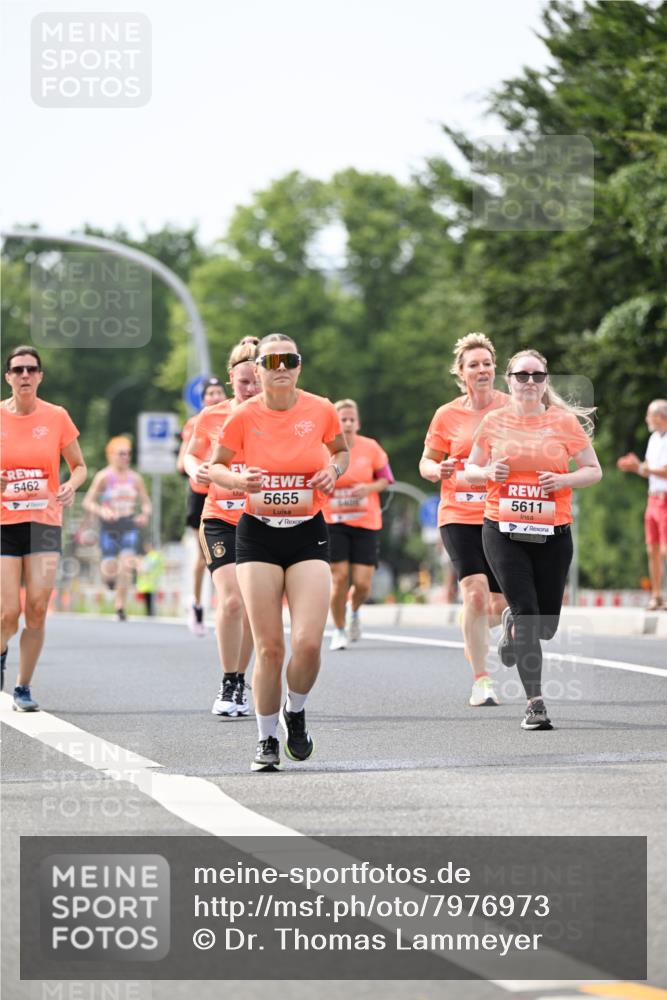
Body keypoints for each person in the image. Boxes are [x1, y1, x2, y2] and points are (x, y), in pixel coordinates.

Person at [209, 333, 348, 772]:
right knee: (270, 648)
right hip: (257, 535)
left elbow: (341, 453)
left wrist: (331, 470)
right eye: (272, 360)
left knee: (307, 643)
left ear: (299, 365)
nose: (281, 366)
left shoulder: (321, 409)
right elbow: (214, 465)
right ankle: (266, 739)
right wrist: (236, 481)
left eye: (289, 359)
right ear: (261, 368)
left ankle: (296, 710)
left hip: (308, 532)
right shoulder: (243, 415)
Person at [466, 349, 602, 731]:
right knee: (528, 616)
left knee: (545, 626)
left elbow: (594, 470)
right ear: (507, 380)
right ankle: (535, 703)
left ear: (545, 383)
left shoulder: (564, 423)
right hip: (503, 530)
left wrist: (564, 480)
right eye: (521, 376)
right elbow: (470, 470)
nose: (529, 382)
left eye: (537, 376)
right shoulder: (493, 422)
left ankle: (513, 623)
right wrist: (490, 470)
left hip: (553, 532)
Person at [419, 333, 509, 707]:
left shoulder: (511, 408)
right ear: (461, 372)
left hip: (502, 513)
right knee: (474, 593)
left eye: (487, 363)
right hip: (458, 514)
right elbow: (425, 463)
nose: (482, 369)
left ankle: (475, 628)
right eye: (474, 364)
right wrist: (436, 469)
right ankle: (482, 680)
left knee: (499, 605)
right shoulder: (447, 414)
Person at [1, 346, 87, 709]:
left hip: (44, 524)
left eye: (31, 370)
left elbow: (80, 465)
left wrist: (71, 485)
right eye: (18, 370)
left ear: (40, 377)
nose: (24, 375)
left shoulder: (56, 417)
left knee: (37, 607)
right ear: (8, 377)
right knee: (7, 613)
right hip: (5, 524)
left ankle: (23, 687)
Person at [184, 339, 261, 717]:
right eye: (244, 382)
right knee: (230, 599)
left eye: (257, 381)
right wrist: (193, 467)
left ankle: (240, 679)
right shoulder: (212, 416)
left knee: (248, 605)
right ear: (232, 380)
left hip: (261, 520)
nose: (252, 389)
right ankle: (229, 679)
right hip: (219, 518)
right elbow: (192, 453)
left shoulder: (276, 416)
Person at [323, 399, 393, 650]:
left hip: (366, 522)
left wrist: (368, 488)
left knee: (363, 584)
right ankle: (339, 630)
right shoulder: (324, 448)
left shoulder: (371, 447)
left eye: (352, 419)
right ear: (335, 423)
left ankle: (354, 611)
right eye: (343, 419)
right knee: (339, 577)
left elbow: (386, 479)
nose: (348, 423)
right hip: (334, 521)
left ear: (358, 422)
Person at [177, 376, 226, 635]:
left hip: (228, 492)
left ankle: (226, 607)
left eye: (219, 393)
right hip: (201, 494)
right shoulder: (195, 424)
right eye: (211, 394)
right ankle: (196, 604)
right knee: (204, 556)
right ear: (202, 399)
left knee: (229, 555)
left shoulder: (232, 417)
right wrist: (199, 466)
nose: (216, 397)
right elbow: (182, 461)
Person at [82, 436, 151, 620]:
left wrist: (144, 514)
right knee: (109, 567)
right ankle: (110, 582)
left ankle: (120, 605)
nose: (125, 457)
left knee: (127, 564)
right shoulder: (104, 477)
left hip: (128, 524)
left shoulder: (135, 478)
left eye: (128, 454)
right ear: (111, 455)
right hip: (109, 525)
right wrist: (101, 511)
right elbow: (88, 502)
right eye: (121, 454)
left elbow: (146, 503)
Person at [617, 399, 667, 610]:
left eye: (649, 414)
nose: (646, 418)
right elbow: (649, 468)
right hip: (653, 498)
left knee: (665, 549)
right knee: (652, 549)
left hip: (665, 497)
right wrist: (636, 468)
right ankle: (656, 596)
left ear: (661, 416)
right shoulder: (654, 438)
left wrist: (641, 468)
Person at [136, 543, 165, 616]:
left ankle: (150, 614)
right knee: (149, 600)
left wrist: (140, 566)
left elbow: (146, 568)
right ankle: (150, 613)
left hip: (150, 582)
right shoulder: (154, 556)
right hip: (150, 582)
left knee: (150, 601)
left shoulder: (152, 556)